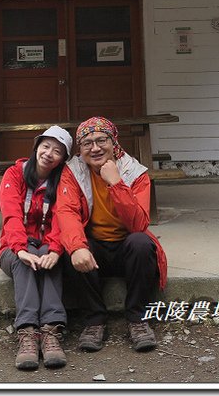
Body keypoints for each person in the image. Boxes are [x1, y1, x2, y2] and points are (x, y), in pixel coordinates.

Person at [57, 116, 168, 353]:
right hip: (94, 250)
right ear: (80, 148)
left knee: (141, 242)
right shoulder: (72, 172)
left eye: (101, 140)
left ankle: (137, 319)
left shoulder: (134, 172)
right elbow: (66, 212)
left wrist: (116, 182)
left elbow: (138, 224)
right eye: (87, 143)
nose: (95, 148)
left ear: (113, 141)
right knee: (71, 248)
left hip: (126, 249)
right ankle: (94, 320)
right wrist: (77, 247)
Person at [0, 125, 72, 371]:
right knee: (25, 261)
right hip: (14, 246)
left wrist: (56, 250)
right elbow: (12, 216)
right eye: (46, 146)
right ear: (36, 146)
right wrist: (19, 248)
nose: (49, 153)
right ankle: (28, 332)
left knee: (50, 261)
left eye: (58, 151)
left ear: (63, 159)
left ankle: (51, 331)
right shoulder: (14, 174)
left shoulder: (63, 180)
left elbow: (64, 217)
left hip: (47, 244)